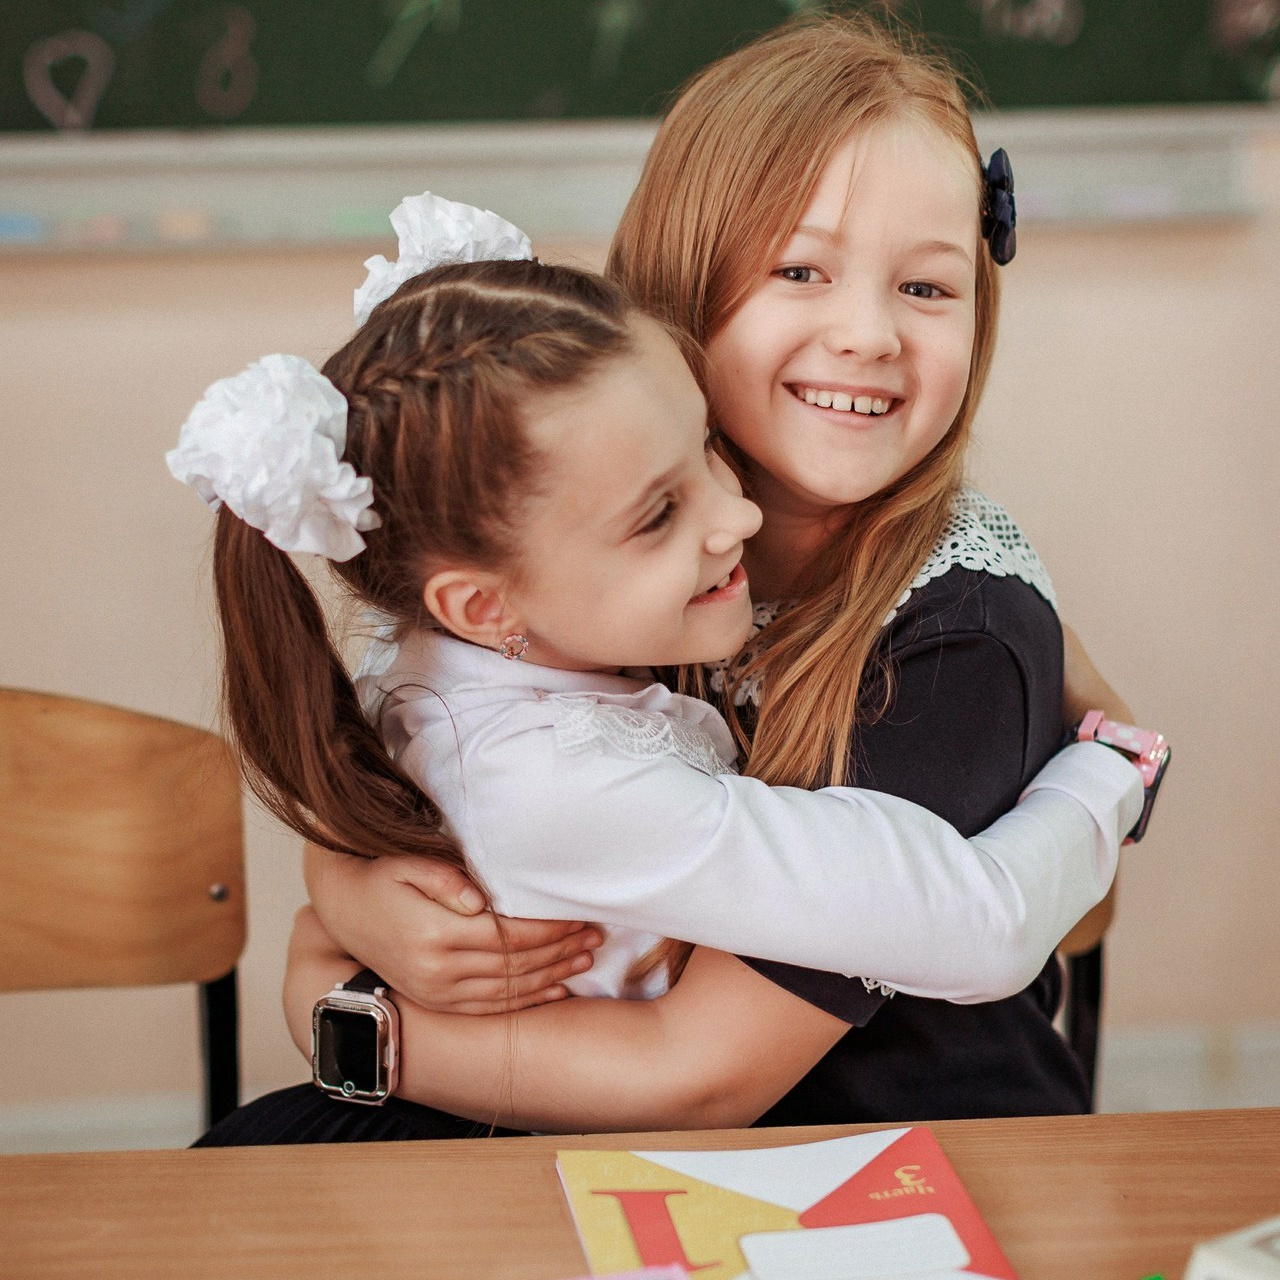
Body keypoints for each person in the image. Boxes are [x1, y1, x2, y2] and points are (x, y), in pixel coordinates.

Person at [275, 12, 1160, 1136]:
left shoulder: (953, 639)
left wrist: (344, 1012)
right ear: (680, 284)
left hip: (863, 1155)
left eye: (927, 289)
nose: (866, 334)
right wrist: (348, 892)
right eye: (799, 268)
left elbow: (702, 1072)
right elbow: (429, 749)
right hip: (597, 1126)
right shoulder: (595, 532)